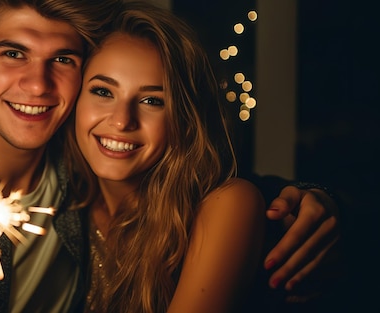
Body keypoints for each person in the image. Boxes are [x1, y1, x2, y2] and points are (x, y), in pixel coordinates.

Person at [0, 1, 340, 312]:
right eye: (14, 52)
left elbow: (214, 191)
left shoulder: (74, 158)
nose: (37, 85)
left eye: (61, 59)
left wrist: (304, 201)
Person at [62, 2, 268, 311]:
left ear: (184, 118)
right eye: (103, 92)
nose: (121, 121)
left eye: (151, 100)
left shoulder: (227, 205)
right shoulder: (61, 204)